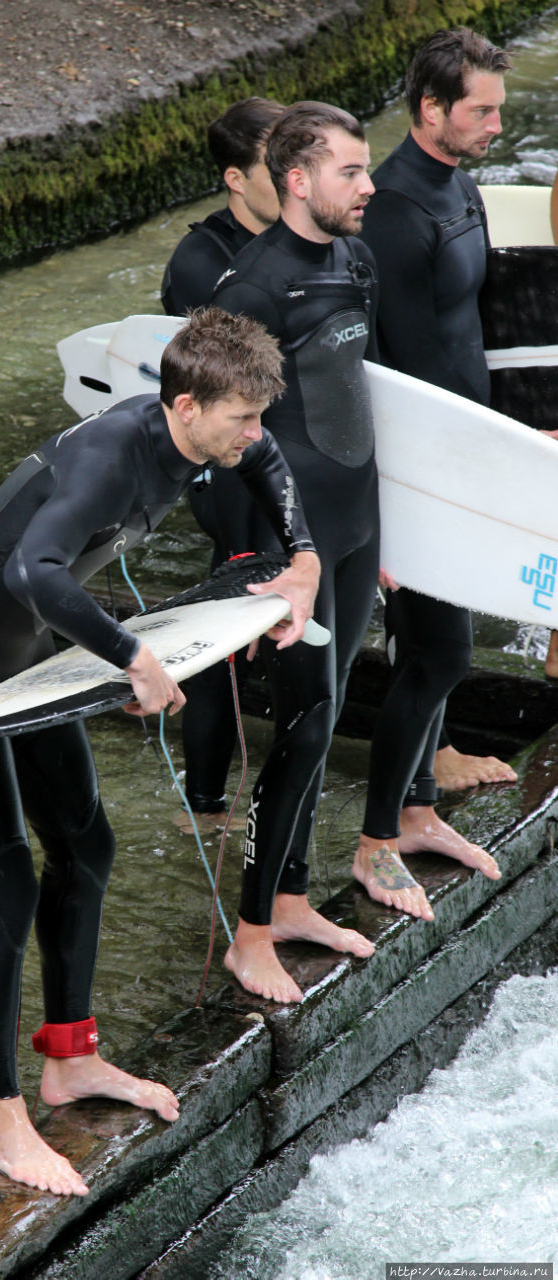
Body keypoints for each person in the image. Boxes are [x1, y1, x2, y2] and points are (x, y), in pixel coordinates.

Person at [0, 307, 321, 1196]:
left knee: (87, 846)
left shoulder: (209, 439)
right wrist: (130, 656)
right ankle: (2, 1119)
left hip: (33, 646)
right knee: (7, 871)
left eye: (256, 415)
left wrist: (305, 558)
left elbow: (271, 461)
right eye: (241, 416)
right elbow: (33, 571)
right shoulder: (110, 454)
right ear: (183, 403)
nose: (255, 433)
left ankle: (70, 1060)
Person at [208, 101, 381, 1001]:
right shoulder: (251, 289)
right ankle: (250, 932)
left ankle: (292, 896)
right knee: (303, 724)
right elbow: (228, 446)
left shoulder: (354, 258)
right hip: (293, 549)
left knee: (330, 712)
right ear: (295, 181)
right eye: (349, 171)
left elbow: (368, 395)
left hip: (357, 526)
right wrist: (255, 577)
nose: (368, 184)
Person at [354, 28, 515, 920]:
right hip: (418, 470)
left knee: (431, 650)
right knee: (440, 651)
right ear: (430, 110)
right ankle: (379, 838)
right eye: (480, 109)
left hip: (465, 453)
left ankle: (413, 809)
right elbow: (377, 364)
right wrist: (386, 503)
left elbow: (471, 324)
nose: (496, 123)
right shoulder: (390, 210)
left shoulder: (456, 183)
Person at [160, 96, 284, 833]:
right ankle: (204, 808)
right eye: (280, 166)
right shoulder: (201, 260)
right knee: (226, 625)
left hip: (285, 458)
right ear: (236, 179)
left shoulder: (304, 241)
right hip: (227, 463)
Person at [160, 97, 283, 316]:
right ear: (236, 180)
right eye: (277, 172)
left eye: (303, 164)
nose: (298, 183)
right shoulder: (200, 263)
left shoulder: (326, 231)